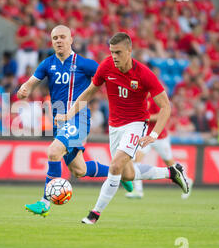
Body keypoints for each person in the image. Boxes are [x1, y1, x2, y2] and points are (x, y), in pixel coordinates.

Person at [55, 32, 189, 225]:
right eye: (112, 52)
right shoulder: (106, 66)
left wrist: (153, 134)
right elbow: (88, 93)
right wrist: (68, 114)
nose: (114, 56)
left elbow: (166, 106)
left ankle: (94, 214)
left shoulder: (144, 74)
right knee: (127, 174)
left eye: (118, 52)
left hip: (136, 124)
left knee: (115, 165)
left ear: (129, 51)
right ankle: (172, 172)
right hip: (114, 127)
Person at [19, 25, 133, 217]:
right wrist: (24, 89)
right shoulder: (47, 64)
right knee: (79, 170)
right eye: (55, 38)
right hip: (60, 122)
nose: (58, 41)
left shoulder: (84, 64)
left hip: (78, 119)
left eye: (63, 37)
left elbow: (110, 76)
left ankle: (44, 203)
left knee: (53, 151)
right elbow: (30, 82)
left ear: (71, 39)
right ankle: (119, 172)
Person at [126, 97, 194, 200]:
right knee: (136, 160)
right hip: (146, 136)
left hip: (160, 137)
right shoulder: (140, 98)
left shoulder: (155, 99)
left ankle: (187, 180)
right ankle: (138, 191)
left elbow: (161, 115)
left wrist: (146, 117)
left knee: (170, 164)